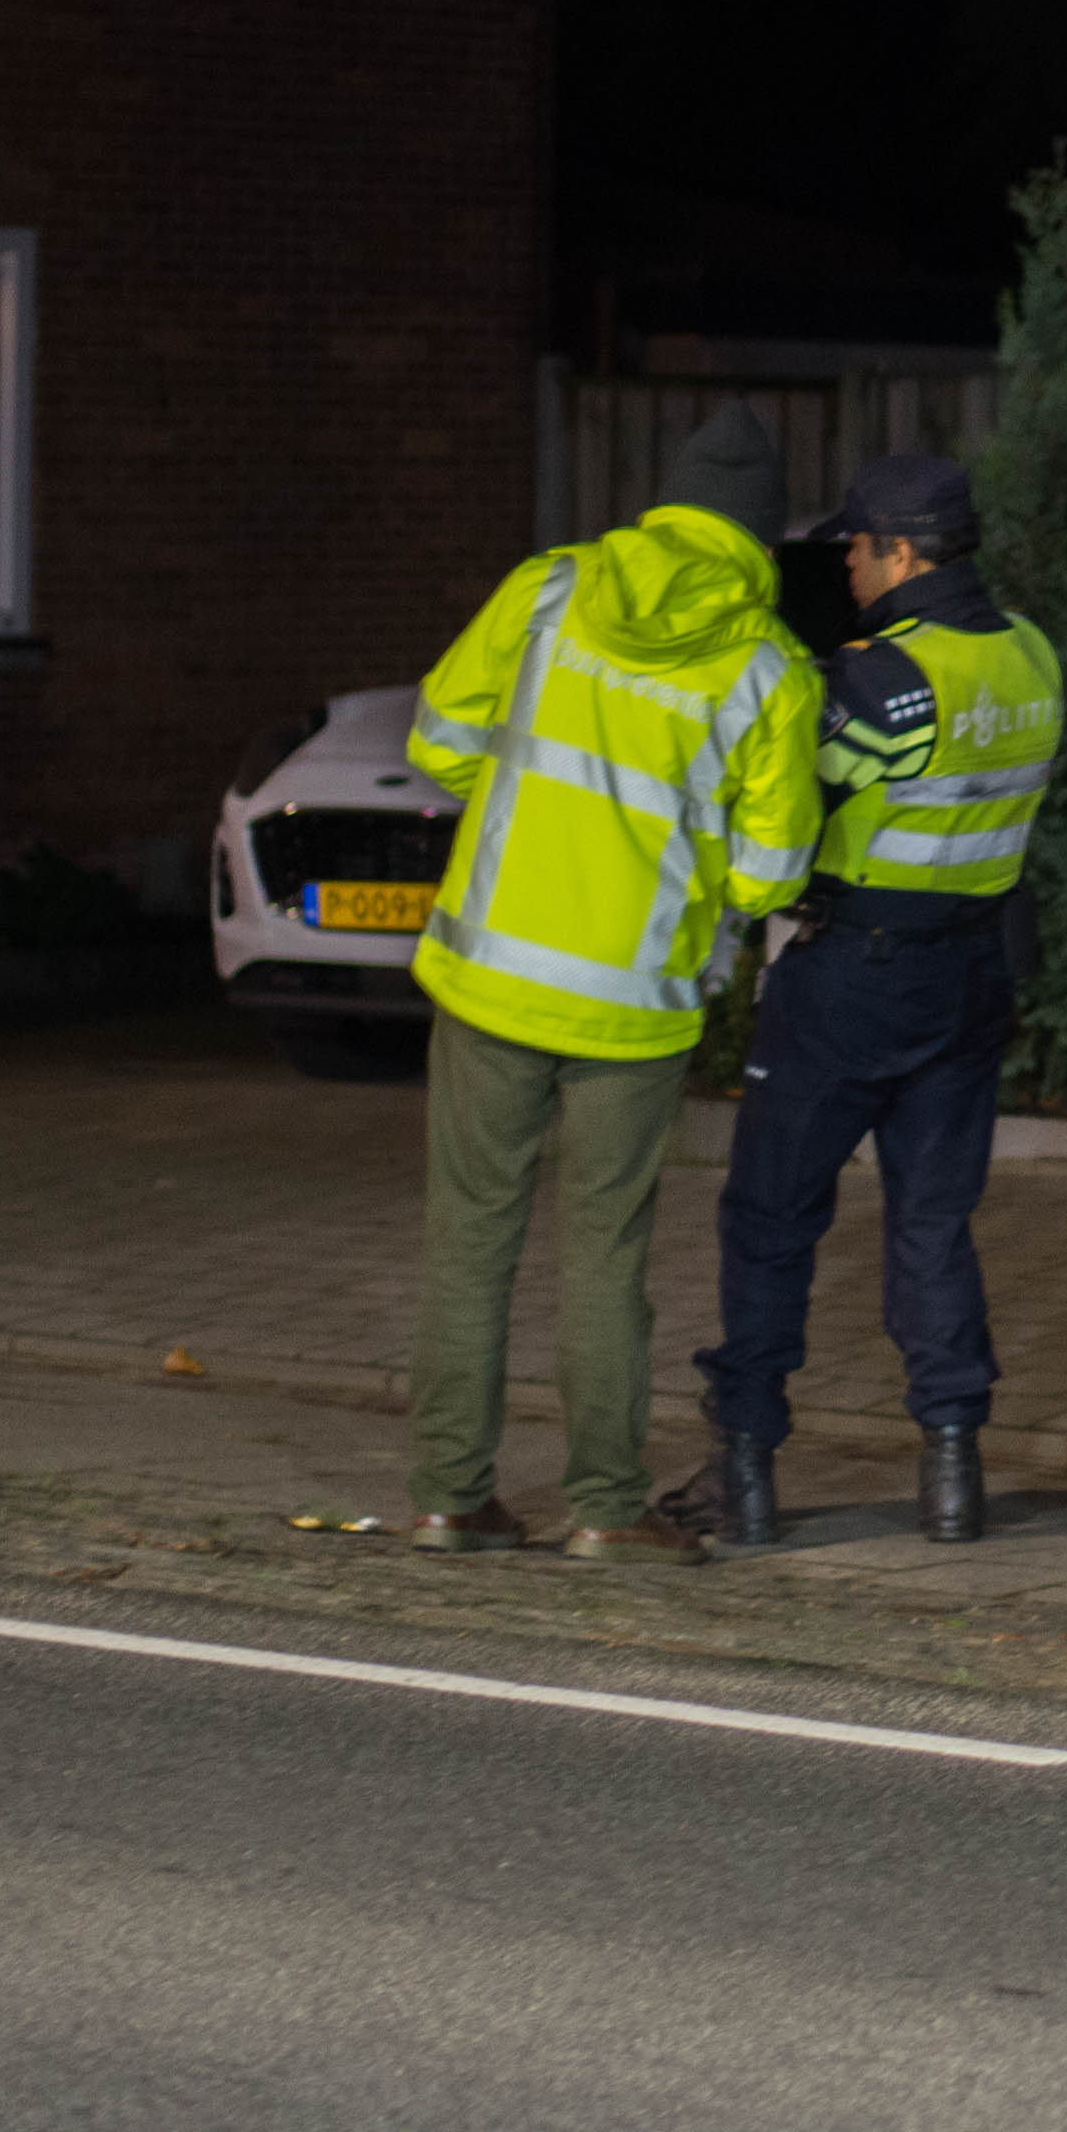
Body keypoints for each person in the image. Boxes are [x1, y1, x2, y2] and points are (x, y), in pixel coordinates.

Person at [399, 400, 821, 1560]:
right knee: (605, 1255)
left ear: (666, 500)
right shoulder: (769, 667)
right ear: (759, 535)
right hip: (633, 1006)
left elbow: (437, 737)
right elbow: (772, 869)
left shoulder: (548, 590)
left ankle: (447, 1496)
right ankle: (602, 1507)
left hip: (488, 976)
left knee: (469, 1239)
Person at [698, 451, 1063, 1556]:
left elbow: (783, 798)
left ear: (903, 552)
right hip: (972, 974)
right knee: (931, 1222)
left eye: (855, 546)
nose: (847, 564)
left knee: (770, 1219)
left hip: (856, 973)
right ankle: (952, 1462)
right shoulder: (1029, 650)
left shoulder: (884, 679)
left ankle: (745, 1469)